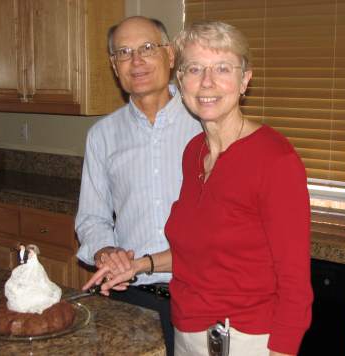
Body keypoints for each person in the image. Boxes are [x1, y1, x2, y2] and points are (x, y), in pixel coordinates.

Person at [83, 20, 313, 356]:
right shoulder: (195, 152)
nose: (207, 82)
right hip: (189, 332)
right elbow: (198, 254)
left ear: (245, 79)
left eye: (223, 68)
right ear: (182, 78)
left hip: (248, 338)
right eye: (195, 69)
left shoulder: (275, 159)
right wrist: (139, 265)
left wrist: (282, 350)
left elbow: (294, 282)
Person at [75, 16, 202, 356]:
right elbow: (91, 218)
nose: (137, 61)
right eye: (124, 52)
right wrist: (106, 252)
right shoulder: (102, 136)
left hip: (201, 297)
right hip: (129, 298)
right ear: (114, 66)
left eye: (147, 48)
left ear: (170, 55)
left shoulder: (206, 127)